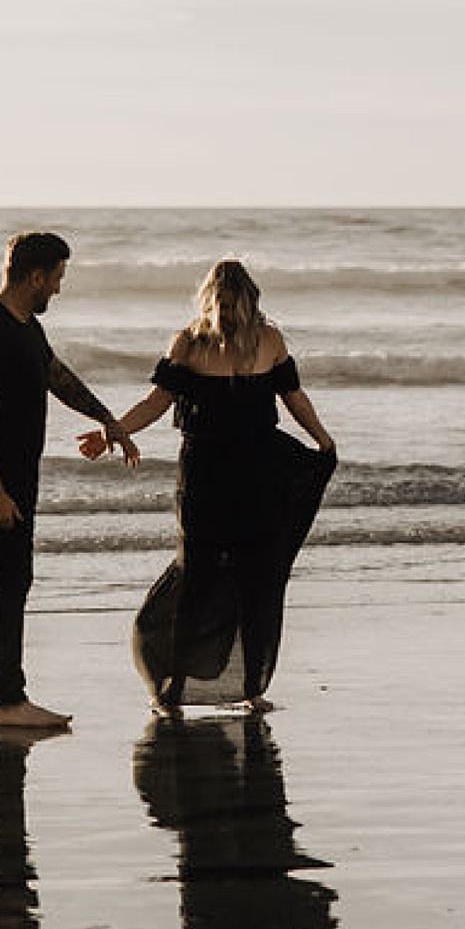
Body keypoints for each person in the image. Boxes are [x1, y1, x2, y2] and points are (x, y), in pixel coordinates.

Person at [91, 260, 337, 712]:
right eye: (218, 303)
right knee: (197, 577)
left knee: (256, 579)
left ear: (248, 304)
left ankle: (252, 688)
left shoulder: (270, 341)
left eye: (232, 304)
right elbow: (156, 402)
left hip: (258, 473)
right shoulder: (187, 343)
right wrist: (115, 431)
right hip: (204, 476)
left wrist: (323, 440)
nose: (224, 312)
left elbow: (294, 398)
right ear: (207, 302)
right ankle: (174, 688)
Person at [0, 231, 139, 734]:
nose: (58, 289)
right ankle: (8, 701)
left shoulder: (25, 327)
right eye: (56, 279)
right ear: (36, 277)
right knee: (10, 581)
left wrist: (108, 419)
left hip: (5, 480)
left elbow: (56, 375)